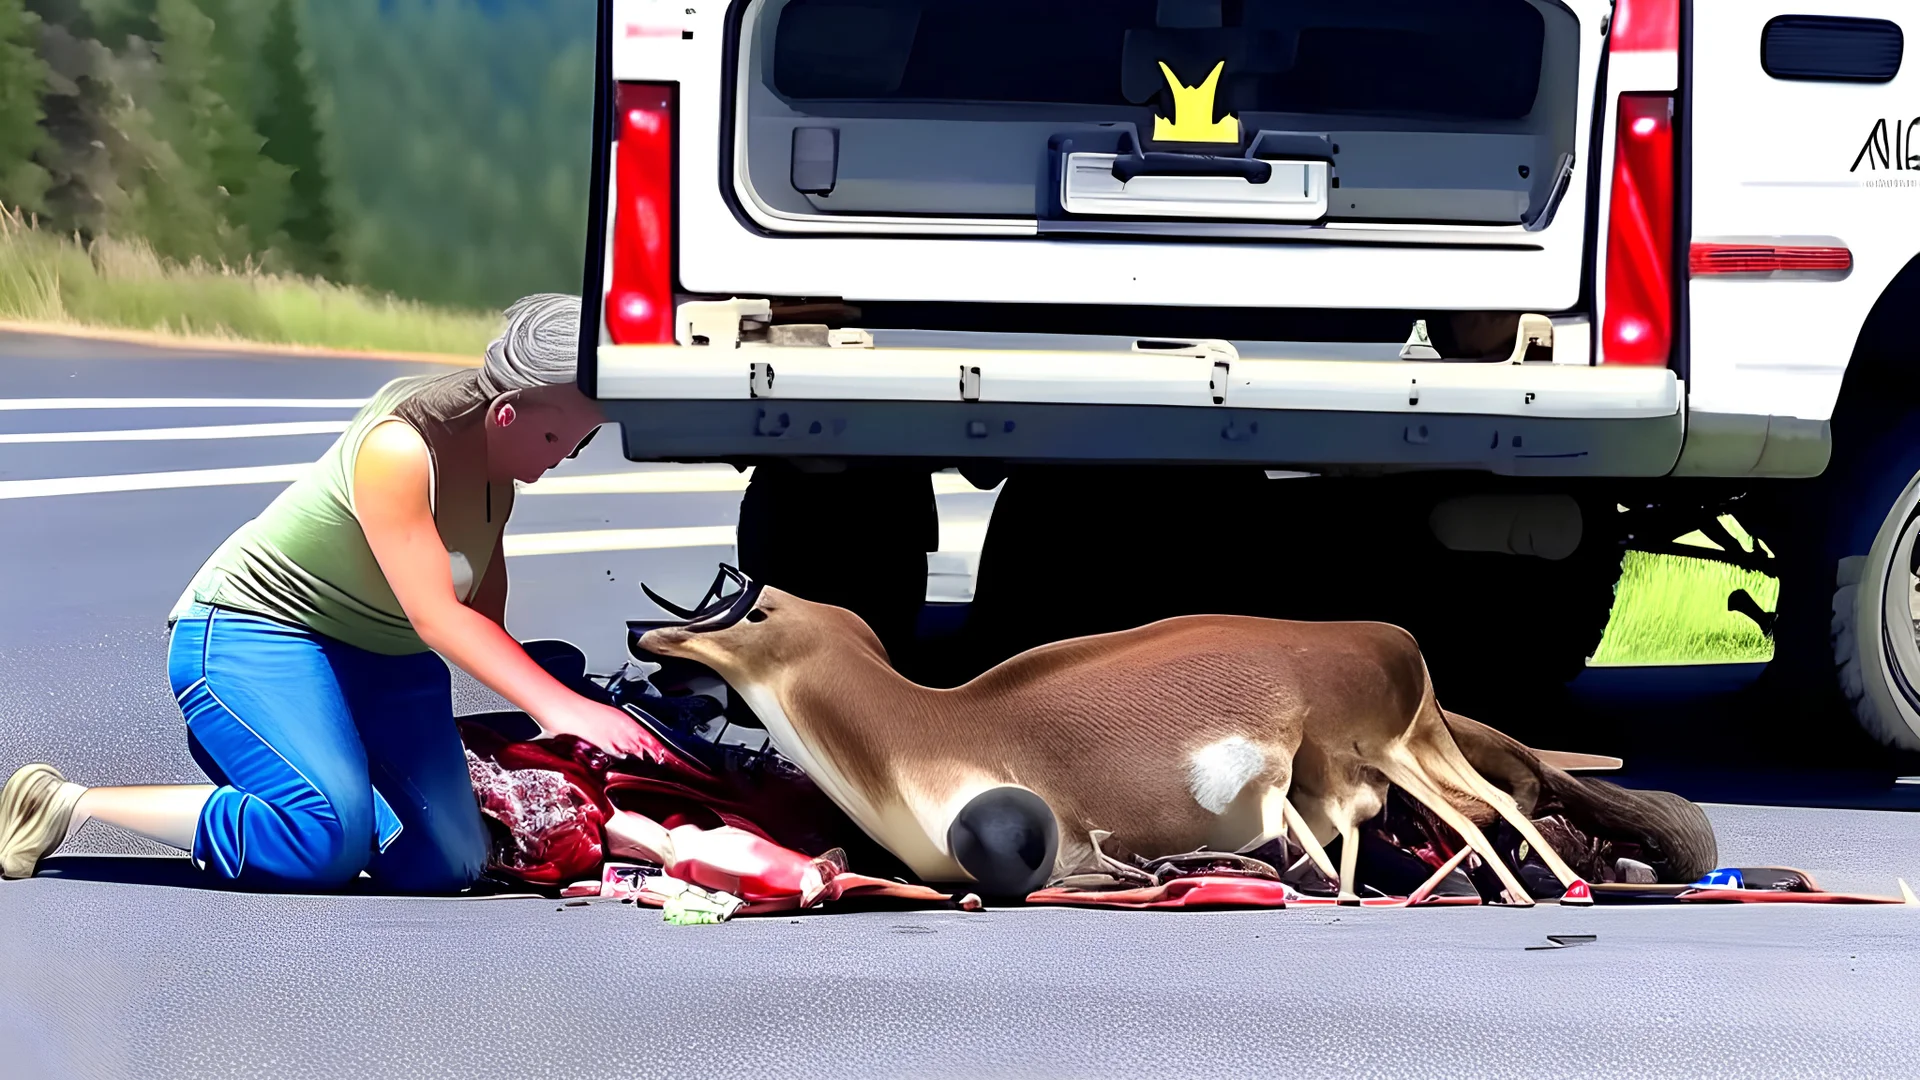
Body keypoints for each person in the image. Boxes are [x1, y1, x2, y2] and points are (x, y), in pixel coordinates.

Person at [0, 293, 695, 892]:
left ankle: (329, 788)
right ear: (507, 413)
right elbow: (438, 617)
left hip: (383, 662)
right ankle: (69, 803)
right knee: (324, 842)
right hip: (255, 637)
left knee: (447, 862)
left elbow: (487, 623)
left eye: (576, 448)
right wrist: (565, 709)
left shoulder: (498, 479)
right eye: (554, 437)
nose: (559, 461)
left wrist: (579, 704)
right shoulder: (399, 448)